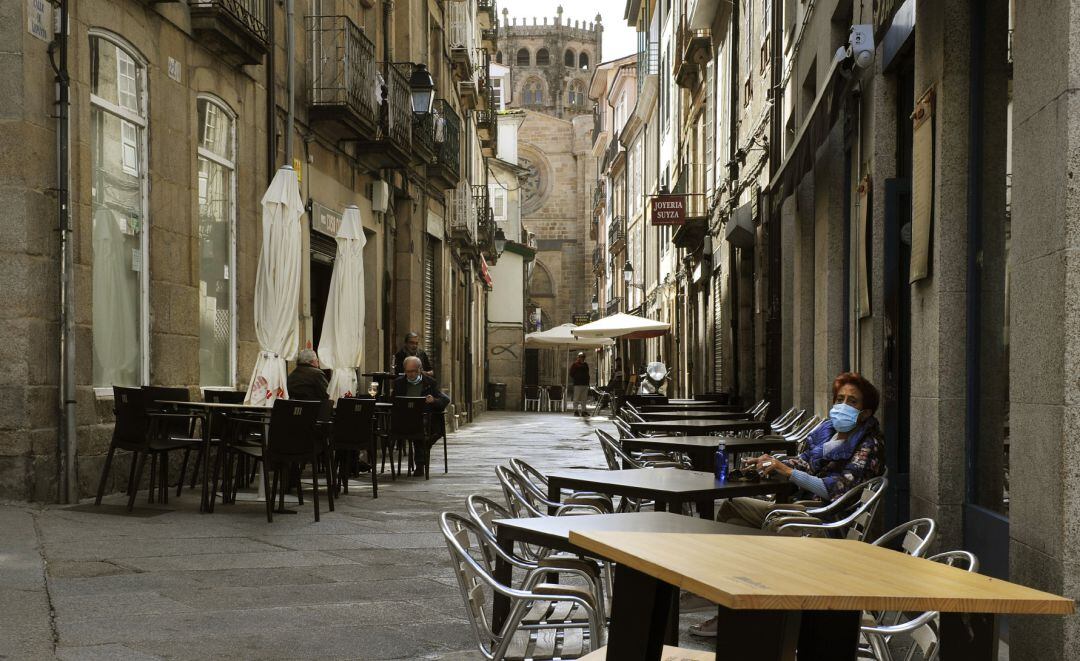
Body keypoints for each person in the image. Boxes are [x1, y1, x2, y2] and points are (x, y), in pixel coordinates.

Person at [685, 371, 887, 637]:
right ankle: (728, 588)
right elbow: (803, 461)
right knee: (732, 508)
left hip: (824, 520)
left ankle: (749, 612)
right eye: (840, 399)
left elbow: (834, 490)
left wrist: (789, 473)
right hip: (800, 507)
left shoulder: (867, 445)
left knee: (776, 526)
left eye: (852, 402)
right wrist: (770, 462)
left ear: (864, 413)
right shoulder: (830, 434)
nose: (843, 406)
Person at [391, 356, 450, 476]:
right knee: (420, 434)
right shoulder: (399, 383)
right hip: (405, 420)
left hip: (426, 421)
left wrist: (433, 400)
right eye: (408, 371)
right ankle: (421, 460)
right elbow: (394, 402)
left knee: (422, 431)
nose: (411, 374)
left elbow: (445, 400)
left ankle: (420, 464)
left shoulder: (429, 383)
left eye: (414, 371)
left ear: (420, 370)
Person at [569, 352, 590, 417]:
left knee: (584, 398)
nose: (582, 358)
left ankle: (583, 411)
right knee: (576, 398)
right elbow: (571, 373)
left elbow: (587, 373)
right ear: (578, 357)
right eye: (581, 357)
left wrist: (587, 381)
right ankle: (576, 410)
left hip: (585, 384)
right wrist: (577, 377)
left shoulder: (586, 364)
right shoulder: (575, 365)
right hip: (577, 383)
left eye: (583, 357)